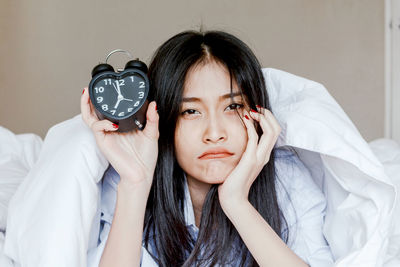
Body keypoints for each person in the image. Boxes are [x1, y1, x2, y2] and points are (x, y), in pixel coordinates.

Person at [82, 30, 334, 266]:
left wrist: (236, 203)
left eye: (233, 107)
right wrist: (135, 184)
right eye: (191, 111)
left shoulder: (286, 177)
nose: (214, 134)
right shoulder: (126, 180)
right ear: (164, 120)